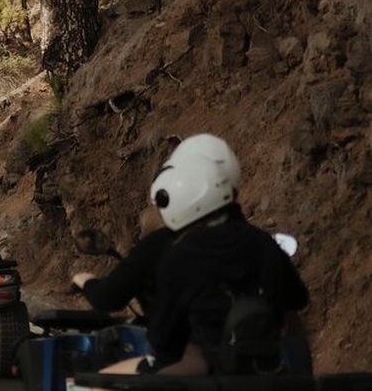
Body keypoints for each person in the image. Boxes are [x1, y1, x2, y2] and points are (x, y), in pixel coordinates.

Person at [98, 152, 308, 378]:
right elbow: (298, 299)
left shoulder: (177, 256)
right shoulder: (263, 242)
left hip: (205, 372)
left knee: (96, 382)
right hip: (266, 371)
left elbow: (163, 340)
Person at [71, 133, 242, 320]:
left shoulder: (163, 245)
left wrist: (86, 281)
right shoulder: (260, 241)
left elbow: (109, 298)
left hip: (185, 347)